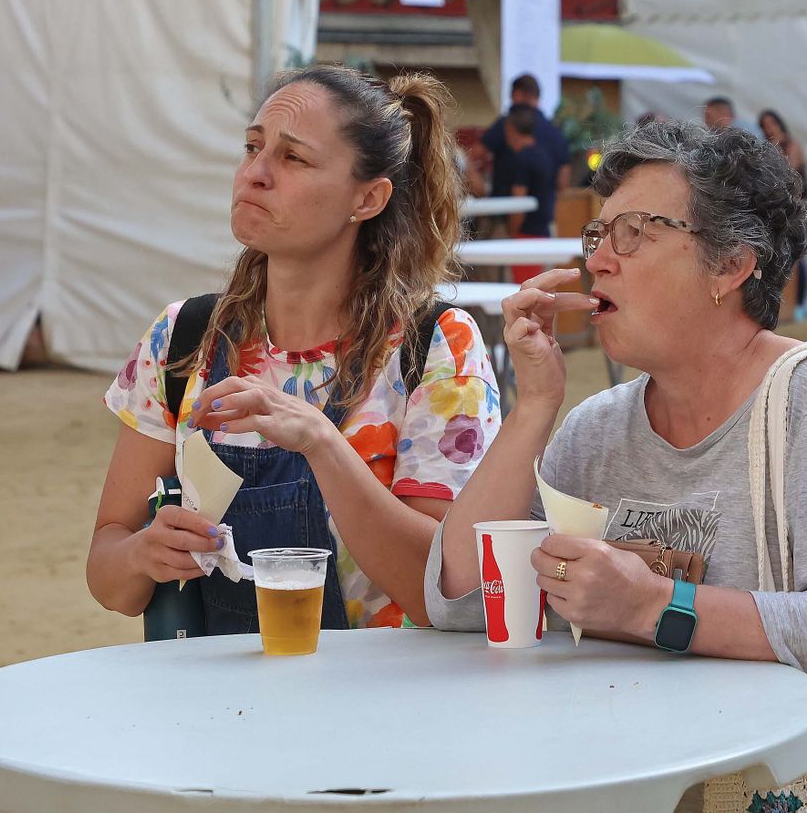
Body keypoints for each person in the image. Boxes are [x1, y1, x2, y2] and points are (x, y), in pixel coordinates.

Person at [423, 121, 807, 809]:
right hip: (617, 781)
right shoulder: (596, 431)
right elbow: (458, 600)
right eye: (598, 237)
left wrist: (656, 605)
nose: (599, 261)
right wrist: (535, 406)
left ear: (730, 267)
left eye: (635, 233)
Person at [88, 66, 502, 632]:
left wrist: (322, 445)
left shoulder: (435, 351)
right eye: (252, 148)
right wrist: (141, 554)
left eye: (293, 158)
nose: (255, 174)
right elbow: (107, 577)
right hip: (213, 709)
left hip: (375, 707)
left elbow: (445, 594)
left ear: (368, 198)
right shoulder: (182, 339)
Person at [759, 108, 807, 320]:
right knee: (784, 255)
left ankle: (799, 304)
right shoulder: (766, 148)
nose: (768, 127)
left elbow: (787, 174)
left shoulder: (792, 145)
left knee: (798, 255)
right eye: (764, 124)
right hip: (781, 209)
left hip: (802, 207)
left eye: (771, 122)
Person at [500, 101, 559, 284]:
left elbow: (519, 200)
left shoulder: (521, 158)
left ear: (511, 129)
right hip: (545, 229)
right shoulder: (545, 156)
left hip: (525, 233)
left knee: (523, 293)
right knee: (542, 291)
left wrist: (512, 232)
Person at [481, 73, 570, 193]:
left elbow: (474, 154)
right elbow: (563, 181)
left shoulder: (508, 124)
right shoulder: (555, 133)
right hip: (547, 207)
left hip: (506, 205)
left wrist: (481, 189)